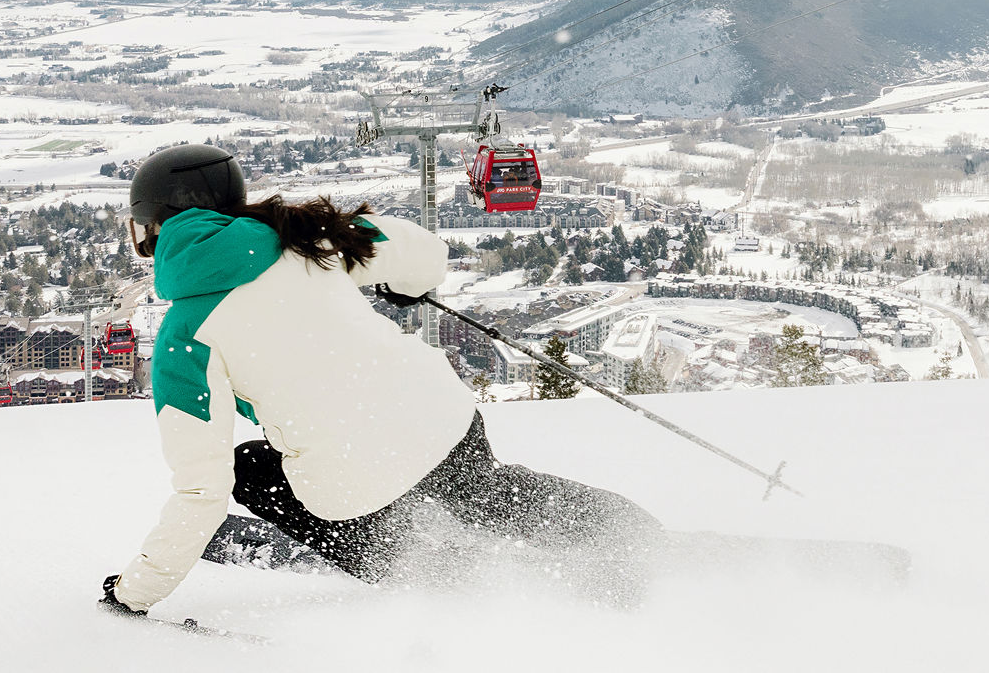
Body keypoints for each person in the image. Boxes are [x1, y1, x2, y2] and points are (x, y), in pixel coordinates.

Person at [100, 144, 660, 615]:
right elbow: (424, 251)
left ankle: (432, 569)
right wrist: (406, 283)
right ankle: (633, 537)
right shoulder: (307, 238)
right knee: (482, 490)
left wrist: (134, 595)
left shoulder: (182, 338)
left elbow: (201, 490)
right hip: (444, 421)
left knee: (251, 469)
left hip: (352, 483)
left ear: (152, 230)